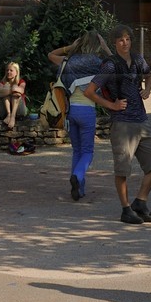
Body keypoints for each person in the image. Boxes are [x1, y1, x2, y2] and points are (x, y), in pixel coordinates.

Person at [89, 25, 151, 225]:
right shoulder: (110, 65)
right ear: (114, 43)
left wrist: (148, 90)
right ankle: (125, 210)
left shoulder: (138, 59)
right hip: (122, 123)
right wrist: (112, 105)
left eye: (127, 39)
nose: (125, 43)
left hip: (142, 120)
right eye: (121, 40)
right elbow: (89, 91)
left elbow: (149, 76)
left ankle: (140, 202)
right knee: (123, 170)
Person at [48, 31, 110, 201]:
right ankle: (77, 175)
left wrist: (70, 47)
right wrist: (105, 47)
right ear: (97, 45)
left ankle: (78, 189)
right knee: (88, 151)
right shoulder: (99, 63)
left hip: (70, 111)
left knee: (77, 150)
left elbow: (51, 55)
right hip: (87, 110)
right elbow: (116, 65)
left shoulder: (68, 61)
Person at [0, 61, 32, 155]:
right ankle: (9, 114)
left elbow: (20, 90)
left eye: (11, 70)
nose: (8, 72)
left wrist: (9, 89)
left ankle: (12, 117)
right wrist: (10, 89)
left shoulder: (21, 82)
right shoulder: (2, 82)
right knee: (8, 90)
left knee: (14, 92)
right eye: (7, 70)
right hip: (3, 110)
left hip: (19, 110)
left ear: (16, 72)